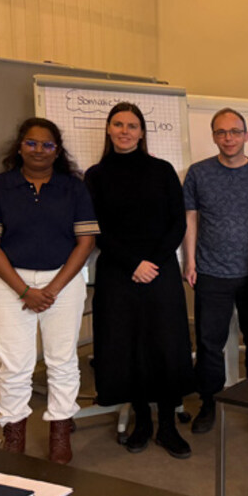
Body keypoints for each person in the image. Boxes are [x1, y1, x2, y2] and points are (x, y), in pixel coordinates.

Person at [0, 117, 97, 464]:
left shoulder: (73, 188)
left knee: (62, 360)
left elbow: (85, 242)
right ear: (19, 146)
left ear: (57, 151)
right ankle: (13, 435)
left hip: (64, 281)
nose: (39, 150)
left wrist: (53, 288)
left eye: (47, 145)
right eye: (31, 143)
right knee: (15, 365)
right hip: (9, 284)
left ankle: (60, 432)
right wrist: (25, 290)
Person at [85, 102, 195, 459]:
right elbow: (95, 228)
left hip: (160, 272)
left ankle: (166, 424)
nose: (124, 131)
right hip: (118, 274)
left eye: (132, 125)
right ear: (108, 129)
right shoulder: (95, 176)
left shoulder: (162, 171)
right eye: (118, 124)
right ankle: (142, 421)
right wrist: (134, 263)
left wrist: (153, 262)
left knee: (164, 346)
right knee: (126, 347)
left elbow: (177, 223)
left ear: (142, 132)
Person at [182, 108, 248, 435]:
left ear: (246, 135)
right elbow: (190, 219)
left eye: (235, 132)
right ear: (213, 137)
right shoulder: (197, 173)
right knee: (209, 343)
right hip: (210, 273)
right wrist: (189, 262)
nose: (229, 138)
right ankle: (209, 402)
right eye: (221, 132)